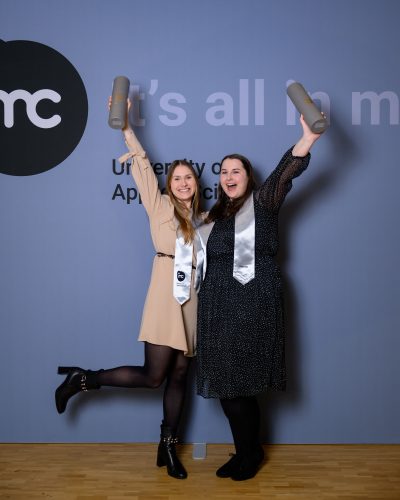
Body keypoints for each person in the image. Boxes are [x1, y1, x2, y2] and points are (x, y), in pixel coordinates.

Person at [55, 99, 202, 480]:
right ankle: (83, 379)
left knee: (180, 375)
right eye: (177, 178)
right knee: (154, 377)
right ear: (170, 184)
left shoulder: (203, 219)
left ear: (196, 183)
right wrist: (126, 128)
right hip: (165, 296)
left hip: (193, 301)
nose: (183, 183)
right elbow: (142, 165)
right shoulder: (160, 205)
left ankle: (167, 448)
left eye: (188, 178)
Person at [195, 114, 324, 481]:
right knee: (227, 385)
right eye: (223, 172)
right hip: (218, 306)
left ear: (248, 177)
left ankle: (250, 454)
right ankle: (246, 451)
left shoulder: (263, 202)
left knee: (241, 384)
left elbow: (285, 173)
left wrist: (308, 138)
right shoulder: (214, 217)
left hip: (252, 302)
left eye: (236, 171)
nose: (229, 176)